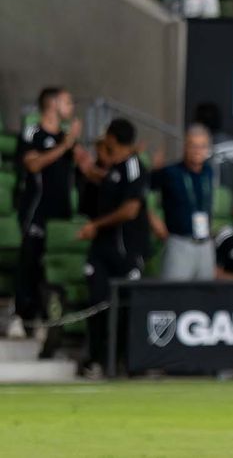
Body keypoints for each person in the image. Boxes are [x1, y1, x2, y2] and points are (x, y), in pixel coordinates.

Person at [77, 119, 150, 378]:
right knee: (97, 302)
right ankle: (96, 359)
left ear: (112, 138)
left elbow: (130, 210)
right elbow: (110, 182)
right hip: (102, 251)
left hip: (126, 250)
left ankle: (127, 361)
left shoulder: (134, 167)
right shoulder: (113, 168)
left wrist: (95, 225)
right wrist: (89, 170)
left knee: (126, 307)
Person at [9, 88, 81, 339]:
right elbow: (33, 164)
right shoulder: (33, 132)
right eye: (68, 102)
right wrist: (64, 146)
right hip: (36, 211)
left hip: (60, 213)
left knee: (52, 268)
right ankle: (21, 316)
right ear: (52, 104)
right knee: (29, 261)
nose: (72, 107)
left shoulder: (65, 138)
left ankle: (47, 319)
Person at [149, 124, 216, 282]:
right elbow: (138, 193)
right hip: (179, 242)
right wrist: (152, 218)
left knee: (206, 294)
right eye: (193, 146)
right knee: (174, 293)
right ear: (185, 146)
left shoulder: (208, 171)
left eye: (202, 146)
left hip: (205, 243)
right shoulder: (170, 172)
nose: (198, 151)